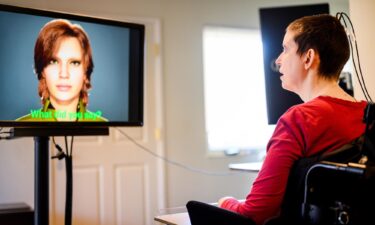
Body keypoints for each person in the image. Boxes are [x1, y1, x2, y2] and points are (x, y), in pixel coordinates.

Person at [217, 14, 367, 225]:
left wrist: (225, 202)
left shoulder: (299, 119)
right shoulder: (368, 116)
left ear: (308, 58)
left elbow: (255, 213)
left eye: (286, 49)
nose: (278, 59)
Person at [17, 19, 107, 122]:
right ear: (42, 70)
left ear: (85, 72)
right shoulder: (20, 127)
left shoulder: (105, 126)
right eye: (53, 61)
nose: (64, 74)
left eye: (74, 63)